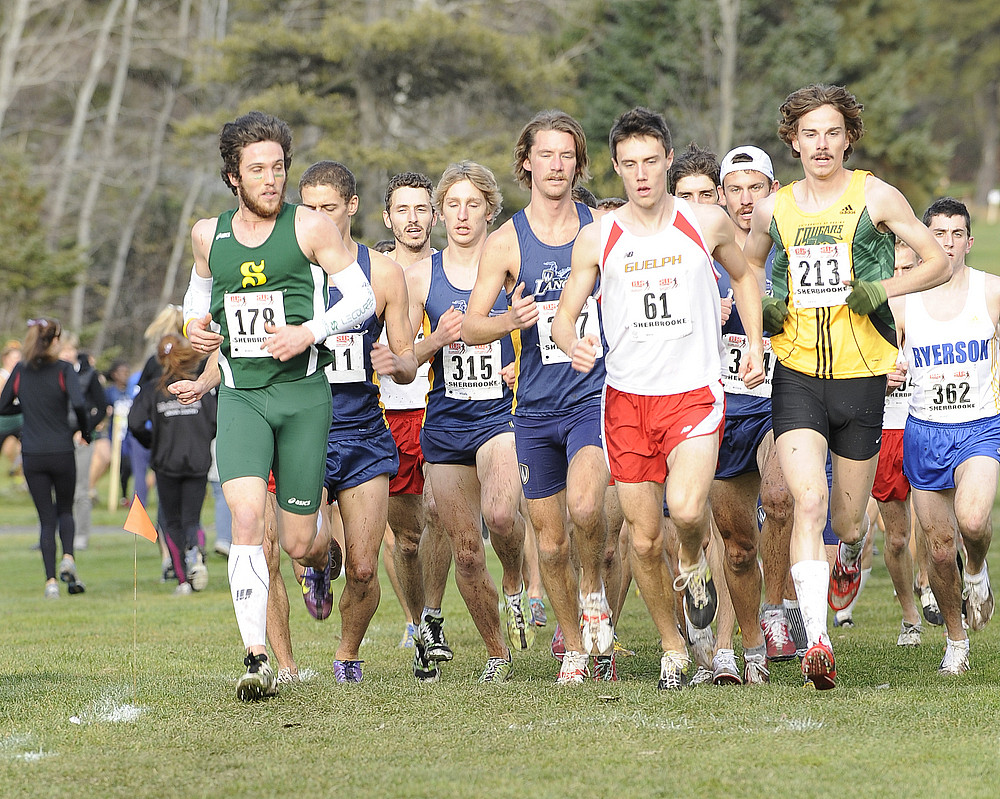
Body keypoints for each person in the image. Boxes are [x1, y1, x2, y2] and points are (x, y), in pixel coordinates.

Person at [743, 83, 950, 689]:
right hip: (798, 372)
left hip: (862, 377)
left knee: (849, 521)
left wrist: (880, 291)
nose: (821, 144)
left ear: (848, 137)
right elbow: (749, 267)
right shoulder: (772, 209)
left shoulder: (875, 196)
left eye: (832, 132)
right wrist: (762, 325)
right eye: (810, 134)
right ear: (793, 142)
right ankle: (819, 642)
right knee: (807, 503)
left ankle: (852, 556)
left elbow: (935, 257)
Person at [553, 107, 765, 690]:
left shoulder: (706, 222)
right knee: (644, 538)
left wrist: (749, 342)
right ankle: (673, 645)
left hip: (694, 392)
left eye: (651, 162)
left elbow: (745, 277)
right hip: (626, 402)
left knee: (690, 511)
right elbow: (565, 318)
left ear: (669, 161)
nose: (641, 175)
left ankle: (694, 563)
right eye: (629, 165)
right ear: (617, 168)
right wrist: (572, 342)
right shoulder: (599, 237)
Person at [178, 110, 376, 701]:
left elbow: (361, 298)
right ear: (233, 177)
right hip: (242, 395)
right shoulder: (206, 234)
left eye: (278, 168)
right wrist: (194, 324)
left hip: (303, 399)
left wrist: (309, 332)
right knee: (244, 517)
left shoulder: (311, 227)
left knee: (298, 543)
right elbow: (197, 291)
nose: (271, 179)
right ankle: (256, 657)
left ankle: (322, 557)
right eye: (257, 170)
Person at [465, 110, 619, 684]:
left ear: (579, 165)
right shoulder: (506, 241)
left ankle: (596, 594)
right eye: (545, 155)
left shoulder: (602, 226)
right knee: (550, 543)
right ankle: (575, 646)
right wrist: (511, 315)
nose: (556, 166)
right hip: (533, 408)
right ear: (525, 162)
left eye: (567, 156)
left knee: (585, 509)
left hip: (593, 395)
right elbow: (472, 326)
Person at [404, 161, 529, 683]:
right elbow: (404, 358)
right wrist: (436, 340)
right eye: (451, 204)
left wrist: (523, 360)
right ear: (438, 213)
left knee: (500, 516)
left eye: (472, 204)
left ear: (490, 211)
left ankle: (520, 580)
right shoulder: (420, 276)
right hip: (447, 420)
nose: (461, 214)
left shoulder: (509, 264)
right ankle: (496, 653)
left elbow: (543, 325)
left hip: (500, 414)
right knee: (466, 551)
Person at [294, 160, 417, 682]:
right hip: (303, 425)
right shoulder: (289, 269)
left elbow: (409, 363)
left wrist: (396, 360)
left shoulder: (383, 273)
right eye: (308, 209)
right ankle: (318, 567)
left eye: (328, 208)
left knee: (365, 566)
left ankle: (348, 654)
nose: (317, 219)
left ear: (351, 208)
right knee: (314, 544)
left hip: (363, 428)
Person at [667, 142, 769, 686]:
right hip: (687, 406)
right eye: (688, 196)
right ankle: (704, 642)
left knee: (754, 520)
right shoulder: (662, 252)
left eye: (709, 194)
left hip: (755, 402)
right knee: (702, 536)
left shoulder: (752, 252)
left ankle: (747, 636)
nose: (701, 205)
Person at [894, 198, 999, 674]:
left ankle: (975, 570)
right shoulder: (902, 300)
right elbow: (877, 357)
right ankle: (956, 640)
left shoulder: (990, 291)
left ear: (969, 242)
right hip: (925, 429)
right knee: (937, 548)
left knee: (973, 521)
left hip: (979, 427)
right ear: (924, 240)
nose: (948, 244)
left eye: (957, 235)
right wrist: (886, 373)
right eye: (938, 234)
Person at [380, 171, 455, 674]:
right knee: (404, 537)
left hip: (441, 404)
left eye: (421, 209)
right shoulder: (369, 273)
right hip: (385, 410)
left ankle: (433, 613)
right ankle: (418, 623)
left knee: (442, 513)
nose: (413, 219)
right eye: (402, 210)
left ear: (434, 214)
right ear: (387, 217)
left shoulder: (454, 268)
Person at [0, 318, 91, 598]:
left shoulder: (20, 370)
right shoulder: (64, 370)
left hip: (33, 453)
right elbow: (79, 404)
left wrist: (24, 403)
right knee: (65, 510)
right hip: (62, 450)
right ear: (54, 341)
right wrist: (84, 432)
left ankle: (51, 582)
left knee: (46, 518)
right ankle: (68, 557)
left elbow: (3, 405)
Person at [128, 333, 216, 595]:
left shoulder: (154, 388)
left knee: (171, 522)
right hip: (198, 461)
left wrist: (152, 441)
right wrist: (202, 438)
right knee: (192, 518)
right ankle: (196, 553)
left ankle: (182, 581)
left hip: (166, 462)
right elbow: (216, 419)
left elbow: (134, 423)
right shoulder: (202, 386)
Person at [57, 339, 106, 552]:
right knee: (57, 490)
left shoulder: (89, 374)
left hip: (81, 438)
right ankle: (54, 534)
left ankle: (82, 534)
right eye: (62, 350)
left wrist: (86, 430)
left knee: (80, 489)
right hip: (57, 439)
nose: (66, 354)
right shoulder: (52, 374)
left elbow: (102, 407)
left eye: (69, 350)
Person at [0, 340, 24, 475]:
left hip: (19, 419)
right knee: (9, 449)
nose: (17, 361)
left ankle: (21, 474)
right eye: (14, 358)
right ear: (5, 359)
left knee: (22, 447)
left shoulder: (21, 376)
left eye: (19, 358)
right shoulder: (2, 376)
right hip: (4, 420)